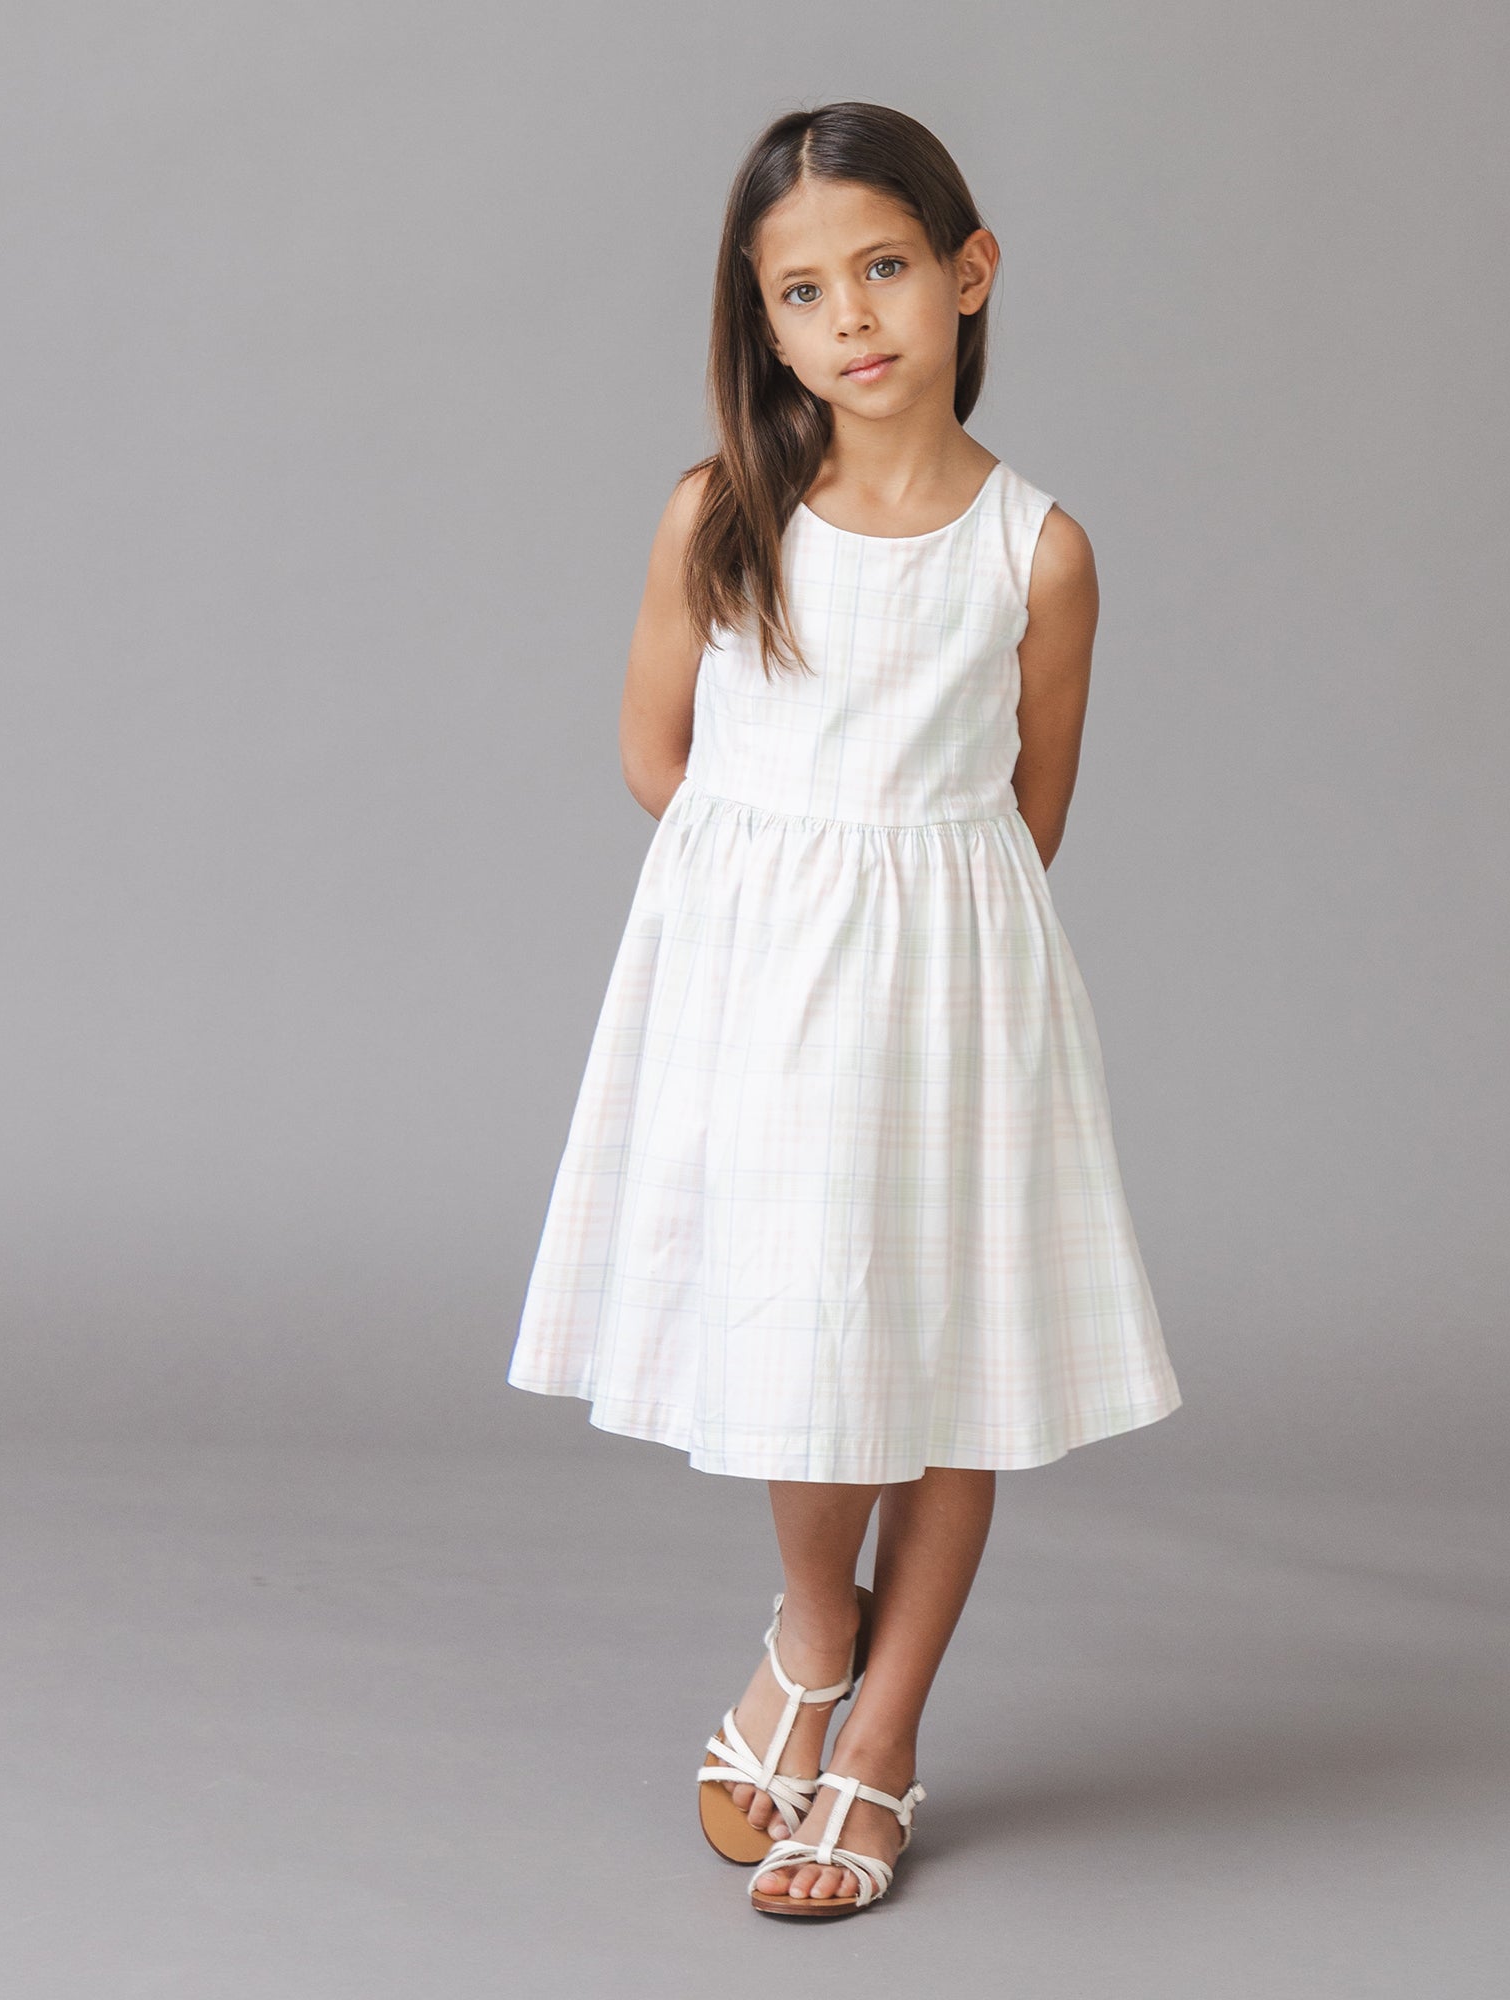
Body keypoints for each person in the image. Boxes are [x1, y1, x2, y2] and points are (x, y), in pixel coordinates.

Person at [507, 100, 1184, 1919]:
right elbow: (658, 755)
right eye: (802, 291)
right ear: (764, 320)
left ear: (969, 272)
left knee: (947, 1354)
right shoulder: (722, 517)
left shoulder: (1037, 553)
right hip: (767, 992)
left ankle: (878, 1738)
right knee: (809, 1340)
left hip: (955, 993)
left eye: (883, 267)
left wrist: (913, 917)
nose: (851, 316)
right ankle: (816, 1632)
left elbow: (1028, 807)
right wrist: (779, 907)